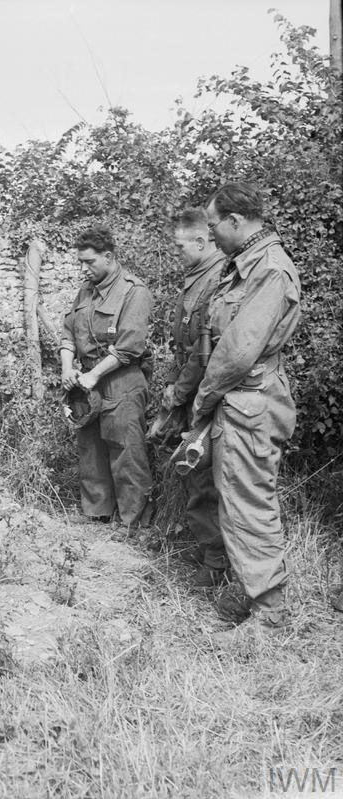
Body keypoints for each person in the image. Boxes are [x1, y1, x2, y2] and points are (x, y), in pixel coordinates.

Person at [192, 182, 300, 642]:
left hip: (248, 400)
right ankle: (253, 590)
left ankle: (269, 612)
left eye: (213, 225)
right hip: (237, 398)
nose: (211, 234)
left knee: (248, 503)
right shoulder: (244, 265)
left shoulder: (269, 269)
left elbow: (236, 351)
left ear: (236, 221)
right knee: (234, 501)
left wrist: (201, 401)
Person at [60, 226, 153, 529]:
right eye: (80, 263)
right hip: (88, 382)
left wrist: (94, 375)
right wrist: (67, 369)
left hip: (121, 380)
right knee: (91, 449)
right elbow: (68, 333)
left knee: (126, 452)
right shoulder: (86, 290)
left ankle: (132, 522)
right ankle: (97, 514)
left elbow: (128, 347)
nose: (83, 269)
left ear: (109, 257)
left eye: (89, 262)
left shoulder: (133, 291)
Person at [161, 208, 227, 586]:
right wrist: (174, 383)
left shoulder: (216, 279)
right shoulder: (196, 278)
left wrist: (179, 391)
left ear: (202, 242)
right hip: (193, 390)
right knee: (196, 476)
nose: (177, 253)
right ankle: (209, 552)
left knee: (203, 478)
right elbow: (182, 345)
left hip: (207, 395)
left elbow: (204, 354)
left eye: (180, 246)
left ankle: (216, 562)